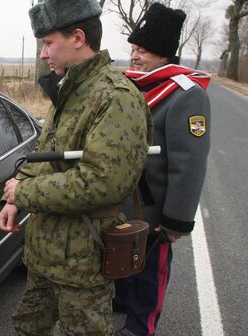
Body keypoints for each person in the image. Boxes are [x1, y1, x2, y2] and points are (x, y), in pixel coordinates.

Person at [0, 0, 153, 335]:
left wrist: (23, 192)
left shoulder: (116, 97)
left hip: (82, 265)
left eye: (49, 43)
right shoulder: (69, 88)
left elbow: (101, 183)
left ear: (78, 37)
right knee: (28, 328)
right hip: (43, 257)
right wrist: (13, 200)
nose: (43, 53)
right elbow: (45, 154)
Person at [113, 3, 211, 336]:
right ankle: (123, 305)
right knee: (124, 265)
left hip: (155, 211)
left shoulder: (187, 96)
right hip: (123, 204)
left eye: (142, 50)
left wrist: (176, 220)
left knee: (149, 274)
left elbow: (190, 163)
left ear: (163, 53)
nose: (134, 56)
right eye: (133, 49)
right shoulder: (130, 86)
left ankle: (141, 327)